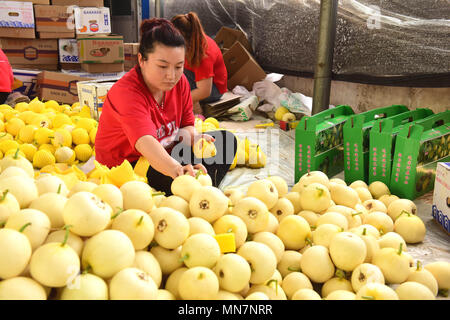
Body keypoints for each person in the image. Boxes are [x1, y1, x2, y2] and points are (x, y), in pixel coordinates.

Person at [94, 18, 237, 195]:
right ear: (142, 60)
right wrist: (177, 169)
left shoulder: (181, 82)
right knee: (173, 177)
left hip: (165, 152)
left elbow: (186, 125)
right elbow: (146, 143)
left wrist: (195, 139)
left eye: (179, 66)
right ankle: (200, 191)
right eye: (162, 66)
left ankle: (198, 191)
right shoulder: (127, 93)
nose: (171, 75)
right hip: (130, 164)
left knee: (226, 141)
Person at [171, 12, 228, 115]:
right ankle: (191, 100)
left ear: (184, 38)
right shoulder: (191, 41)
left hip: (214, 90)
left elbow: (205, 91)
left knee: (177, 80)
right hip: (197, 80)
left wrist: (176, 100)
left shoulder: (204, 53)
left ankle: (194, 105)